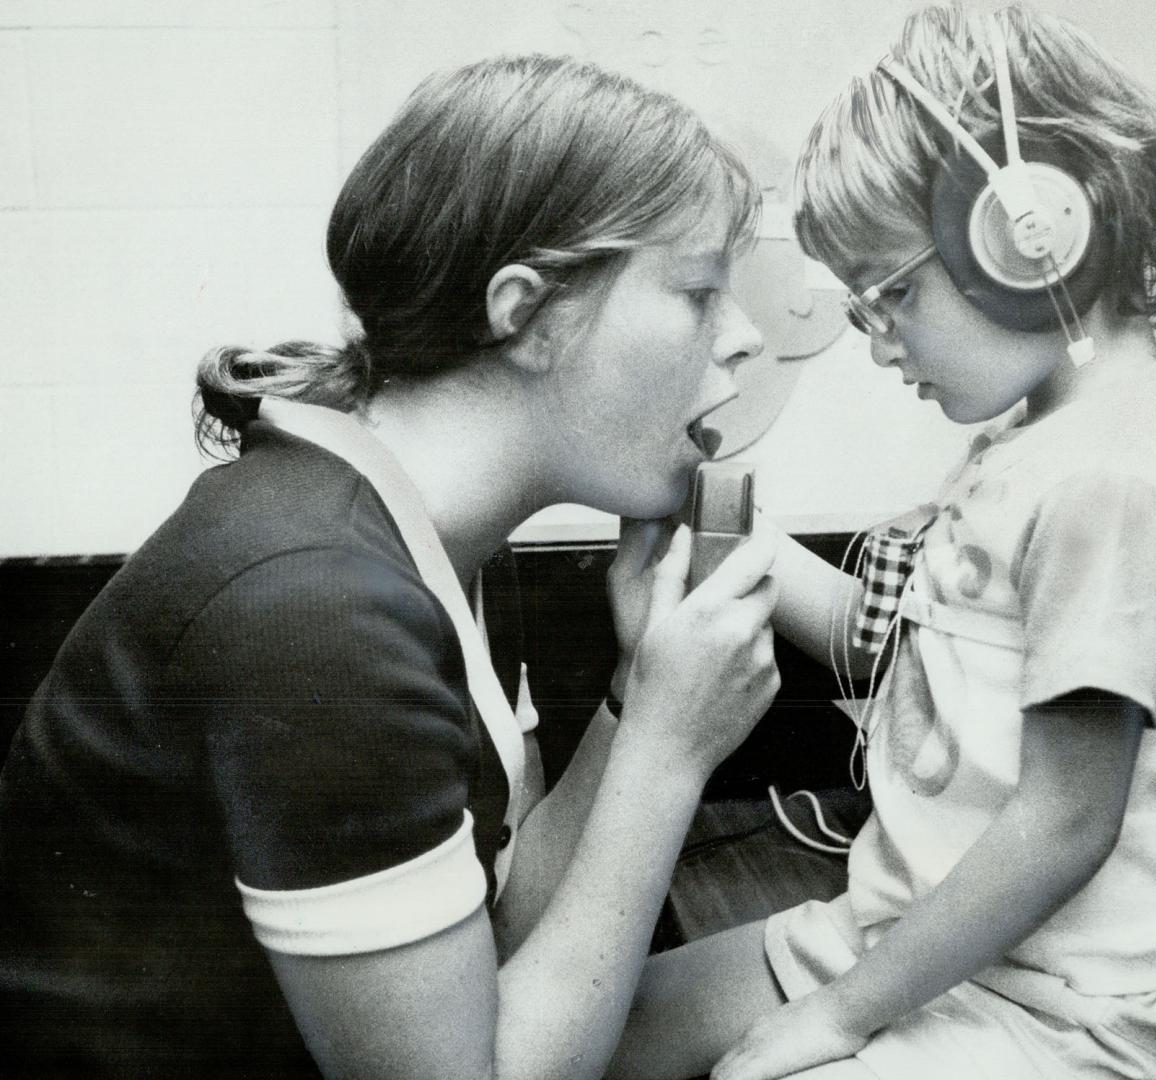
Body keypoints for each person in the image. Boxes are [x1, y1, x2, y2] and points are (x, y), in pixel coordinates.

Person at [0, 54, 780, 1078]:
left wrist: (638, 693)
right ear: (526, 314)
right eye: (698, 293)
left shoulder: (404, 524)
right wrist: (672, 751)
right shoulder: (318, 608)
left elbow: (496, 934)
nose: (746, 340)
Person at [609, 5, 1156, 1079]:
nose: (876, 343)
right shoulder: (1036, 443)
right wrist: (726, 531)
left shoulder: (1105, 485)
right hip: (905, 942)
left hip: (1046, 1010)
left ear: (1028, 229)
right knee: (603, 1028)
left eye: (891, 294)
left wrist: (832, 1021)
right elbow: (906, 663)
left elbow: (1060, 823)